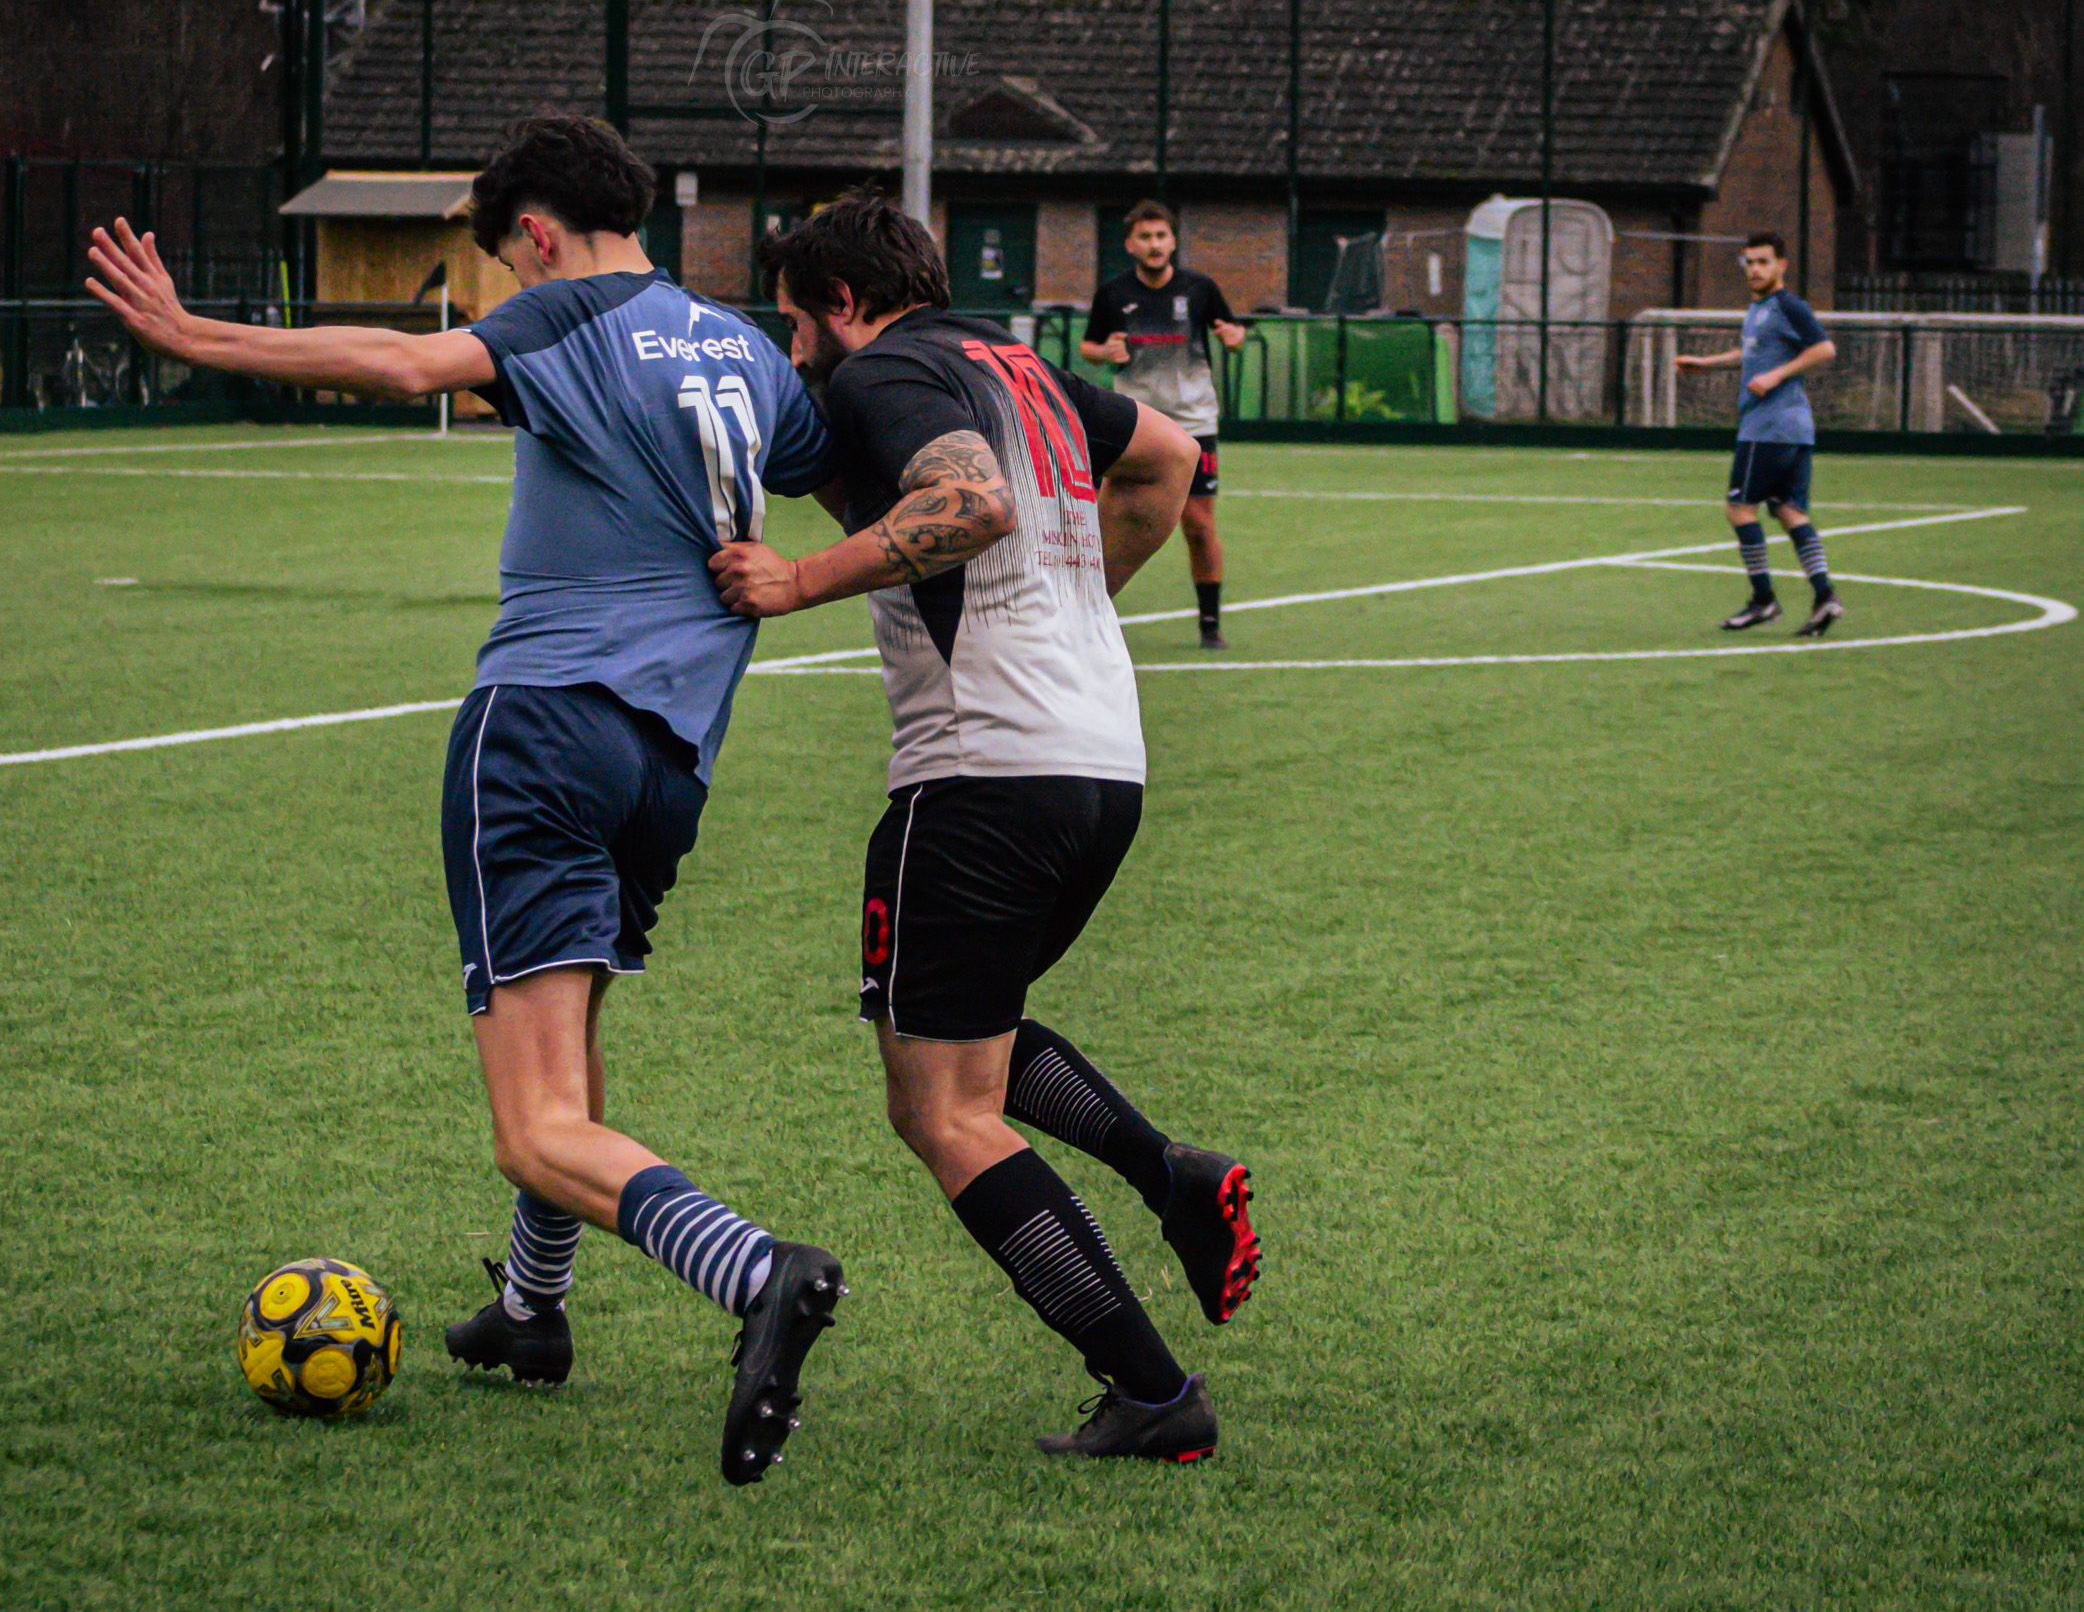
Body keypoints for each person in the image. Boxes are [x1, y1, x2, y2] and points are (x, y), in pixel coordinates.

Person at [83, 116, 848, 1487]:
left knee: (535, 1121)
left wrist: (202, 338)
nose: (502, 289)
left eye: (501, 261)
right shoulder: (735, 342)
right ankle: (532, 1311)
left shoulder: (562, 311)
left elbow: (396, 359)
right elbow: (820, 464)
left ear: (538, 235)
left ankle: (753, 1270)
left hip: (546, 727)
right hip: (671, 758)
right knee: (573, 1033)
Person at [715, 191, 1261, 1464]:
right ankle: (1167, 1176)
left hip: (981, 773)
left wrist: (792, 580)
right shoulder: (1014, 359)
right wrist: (1078, 607)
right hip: (1100, 761)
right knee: (965, 1030)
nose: (800, 356)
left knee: (938, 1104)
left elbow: (969, 505)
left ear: (844, 305)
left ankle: (1150, 1386)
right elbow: (1171, 460)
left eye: (801, 327)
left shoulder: (887, 370)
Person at [1079, 200, 1246, 649]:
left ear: (1173, 241)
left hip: (1194, 420)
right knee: (1106, 517)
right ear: (1130, 244)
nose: (1154, 245)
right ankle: (1087, 614)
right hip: (1134, 422)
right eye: (1145, 237)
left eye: (1161, 236)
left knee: (1197, 523)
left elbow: (1232, 331)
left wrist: (1234, 337)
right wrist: (1104, 351)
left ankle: (1209, 625)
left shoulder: (1200, 288)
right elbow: (1089, 346)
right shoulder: (1113, 293)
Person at [1675, 231, 1843, 636]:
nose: (1754, 269)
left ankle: (1763, 600)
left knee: (1739, 508)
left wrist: (1777, 375)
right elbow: (1749, 356)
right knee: (1789, 511)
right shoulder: (1758, 310)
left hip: (1768, 428)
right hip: (1793, 430)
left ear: (1782, 266)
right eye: (1749, 262)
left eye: (1763, 261)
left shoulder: (1787, 306)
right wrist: (1707, 362)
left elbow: (1824, 349)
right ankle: (1825, 597)